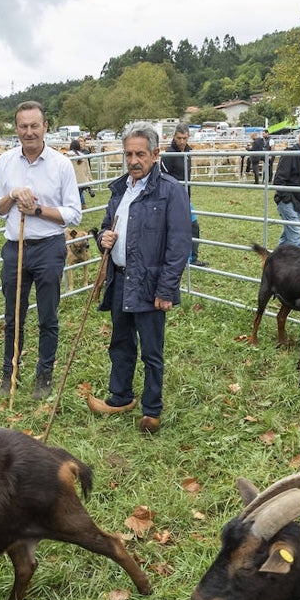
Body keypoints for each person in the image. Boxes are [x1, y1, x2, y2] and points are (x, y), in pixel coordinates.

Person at [89, 122, 190, 435]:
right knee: (120, 342)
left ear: (156, 154)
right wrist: (103, 237)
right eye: (128, 153)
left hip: (149, 283)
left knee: (151, 350)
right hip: (120, 279)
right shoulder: (121, 189)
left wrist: (166, 289)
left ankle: (152, 408)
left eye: (140, 154)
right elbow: (108, 226)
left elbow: (179, 245)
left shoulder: (170, 191)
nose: (133, 160)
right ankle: (120, 396)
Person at [0, 101, 82, 400]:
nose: (29, 132)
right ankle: (9, 374)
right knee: (13, 316)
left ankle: (44, 376)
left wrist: (37, 210)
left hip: (49, 248)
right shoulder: (5, 162)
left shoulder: (61, 164)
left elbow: (73, 214)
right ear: (16, 128)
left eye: (34, 125)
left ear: (45, 127)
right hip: (14, 248)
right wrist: (11, 197)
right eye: (23, 126)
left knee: (47, 316)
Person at [160, 126, 206, 266]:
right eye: (179, 138)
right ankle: (180, 259)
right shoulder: (169, 154)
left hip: (186, 197)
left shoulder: (188, 152)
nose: (181, 141)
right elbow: (164, 177)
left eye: (184, 138)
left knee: (192, 227)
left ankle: (191, 259)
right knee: (181, 228)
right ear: (174, 137)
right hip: (173, 198)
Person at [68, 138, 95, 208]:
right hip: (83, 181)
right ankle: (82, 205)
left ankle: (77, 207)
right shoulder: (83, 156)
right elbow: (87, 170)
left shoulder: (66, 156)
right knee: (78, 195)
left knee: (74, 198)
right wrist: (90, 182)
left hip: (73, 182)